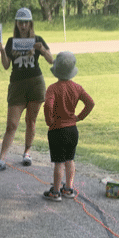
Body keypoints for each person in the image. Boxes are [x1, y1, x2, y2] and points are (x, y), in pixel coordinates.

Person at [0, 7, 53, 173]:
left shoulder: (38, 39)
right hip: (17, 85)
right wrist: (2, 51)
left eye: (26, 22)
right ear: (16, 23)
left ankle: (27, 152)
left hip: (35, 83)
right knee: (11, 125)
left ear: (30, 23)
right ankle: (1, 159)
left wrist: (42, 49)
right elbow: (5, 65)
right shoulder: (11, 41)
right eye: (20, 22)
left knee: (30, 121)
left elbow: (51, 60)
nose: (23, 25)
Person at [42, 51, 94, 201]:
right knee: (70, 160)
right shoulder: (77, 88)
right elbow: (90, 103)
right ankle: (68, 188)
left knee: (58, 162)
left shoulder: (53, 88)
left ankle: (56, 191)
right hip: (72, 129)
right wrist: (79, 117)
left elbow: (48, 106)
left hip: (57, 130)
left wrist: (49, 120)